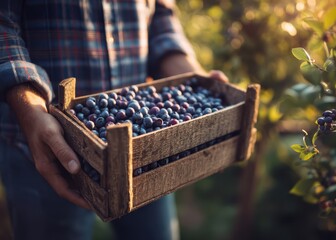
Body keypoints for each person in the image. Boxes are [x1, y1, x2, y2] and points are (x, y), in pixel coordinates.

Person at [0, 1, 228, 240]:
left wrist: (189, 75)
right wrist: (28, 108)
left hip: (146, 153)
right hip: (45, 143)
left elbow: (161, 13)